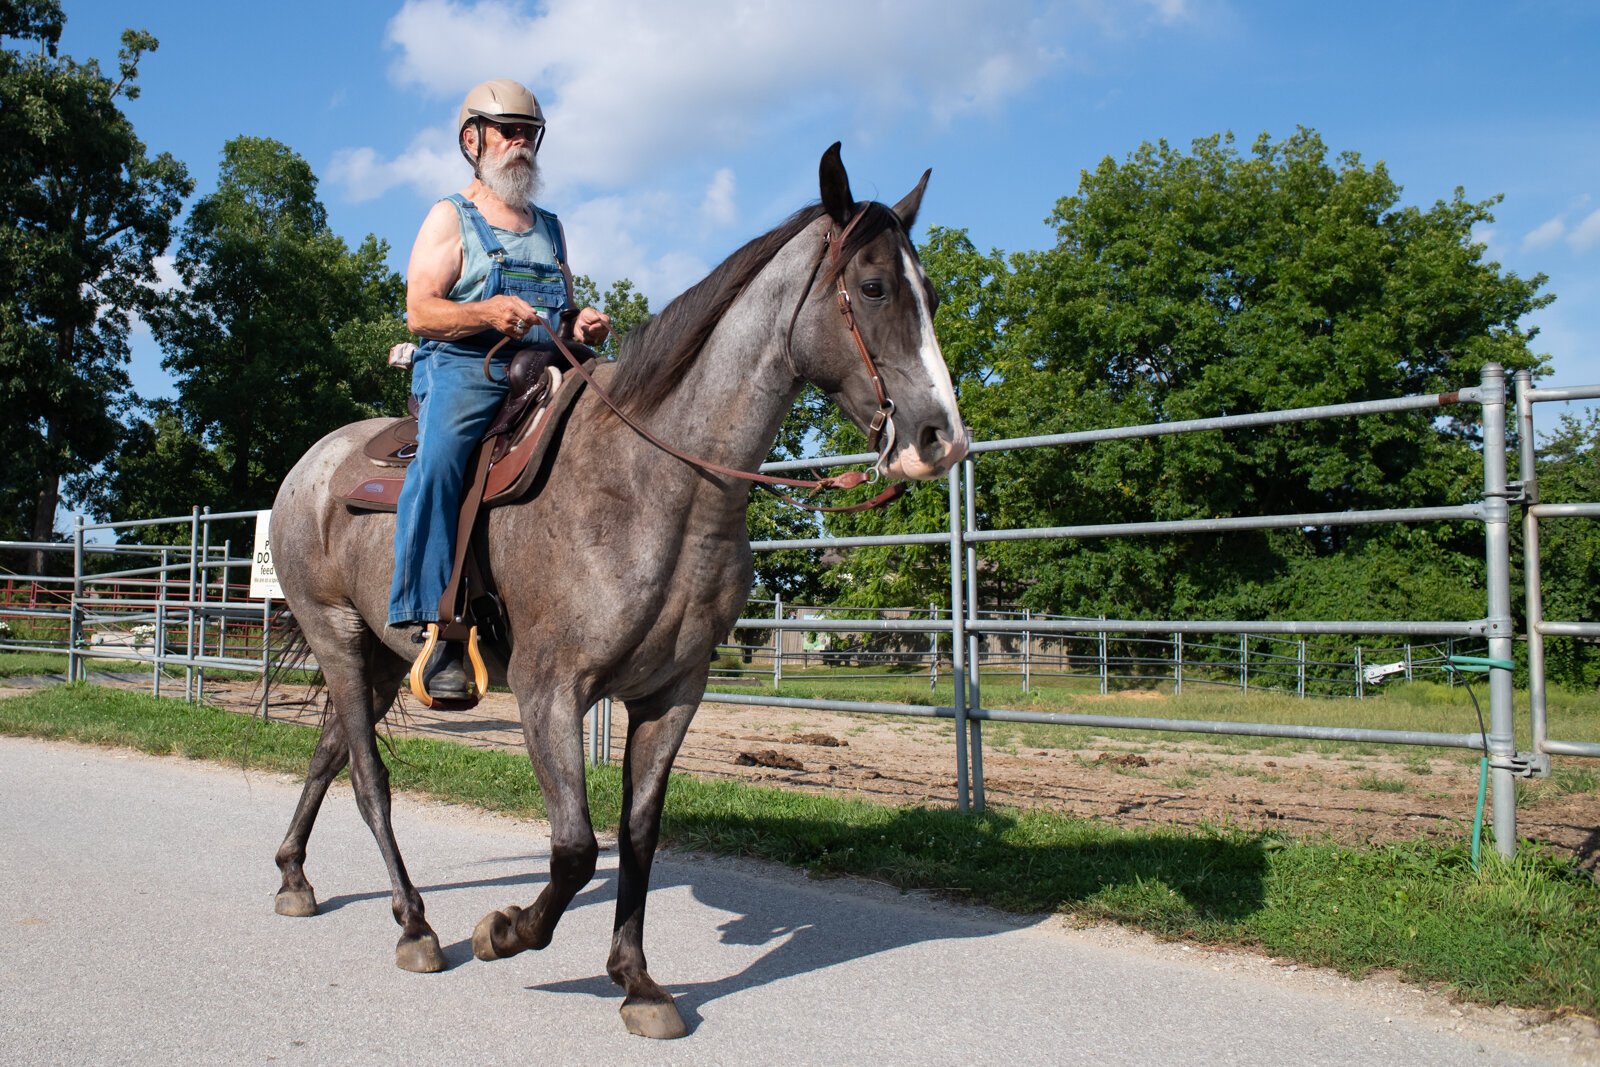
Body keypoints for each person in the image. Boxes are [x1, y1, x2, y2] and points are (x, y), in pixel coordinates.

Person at [389, 78, 610, 699]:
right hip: (465, 365)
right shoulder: (448, 217)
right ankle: (433, 620)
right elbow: (419, 313)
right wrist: (487, 314)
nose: (522, 145)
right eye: (509, 132)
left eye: (530, 135)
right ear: (472, 139)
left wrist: (580, 321)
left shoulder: (552, 227)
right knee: (440, 461)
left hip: (546, 361)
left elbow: (560, 310)